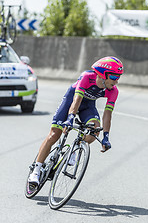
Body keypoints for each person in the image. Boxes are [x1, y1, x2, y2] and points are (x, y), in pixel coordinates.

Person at [28, 56, 124, 186]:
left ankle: (74, 152)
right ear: (102, 74)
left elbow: (108, 114)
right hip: (71, 101)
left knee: (95, 129)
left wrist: (106, 136)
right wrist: (70, 118)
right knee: (54, 134)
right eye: (113, 77)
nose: (116, 81)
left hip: (88, 106)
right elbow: (76, 99)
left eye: (118, 78)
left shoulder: (113, 91)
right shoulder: (87, 77)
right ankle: (36, 170)